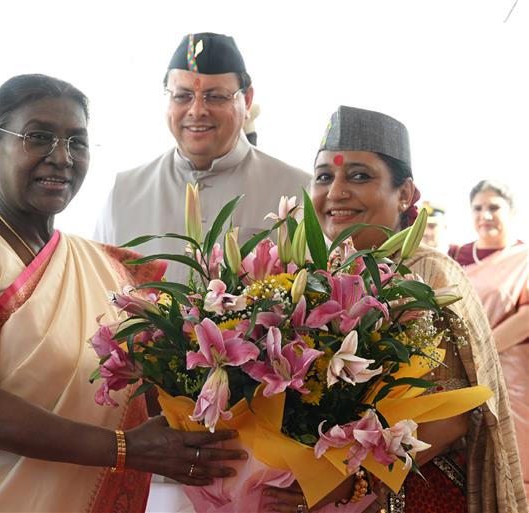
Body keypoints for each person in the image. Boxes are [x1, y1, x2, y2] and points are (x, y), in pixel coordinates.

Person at [0, 74, 247, 513]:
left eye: (77, 142)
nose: (61, 157)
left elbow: (143, 390)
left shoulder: (106, 268)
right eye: (38, 137)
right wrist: (125, 448)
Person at [264, 106, 527, 513]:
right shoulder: (310, 276)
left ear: (405, 193)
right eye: (324, 177)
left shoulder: (428, 273)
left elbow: (452, 416)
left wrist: (354, 481)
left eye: (359, 176)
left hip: (414, 490)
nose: (336, 192)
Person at [94, 33, 311, 283]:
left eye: (215, 96)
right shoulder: (124, 193)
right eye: (182, 96)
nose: (197, 110)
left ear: (247, 100)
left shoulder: (297, 191)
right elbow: (97, 288)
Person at [448, 180, 528, 498]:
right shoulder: (454, 256)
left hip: (511, 378)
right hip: (457, 373)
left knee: (514, 466)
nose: (485, 215)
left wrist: (479, 353)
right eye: (478, 208)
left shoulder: (523, 258)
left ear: (511, 211)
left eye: (494, 207)